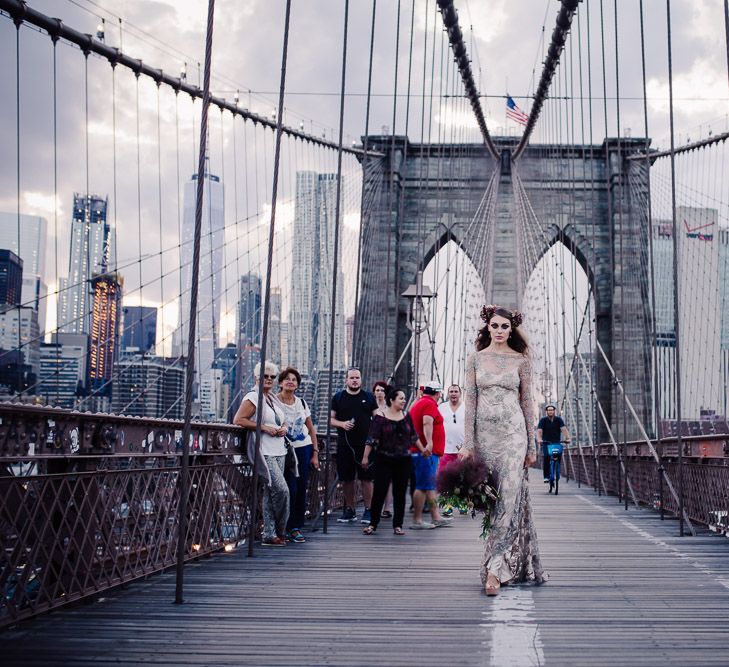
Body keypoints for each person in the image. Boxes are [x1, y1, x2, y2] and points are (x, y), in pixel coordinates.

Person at [460, 304, 547, 596]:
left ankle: (494, 570)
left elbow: (527, 404)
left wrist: (532, 445)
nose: (499, 331)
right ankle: (495, 564)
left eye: (504, 326)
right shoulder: (475, 360)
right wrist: (468, 444)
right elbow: (470, 403)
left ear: (512, 329)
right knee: (492, 504)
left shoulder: (521, 361)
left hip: (513, 437)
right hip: (485, 439)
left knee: (508, 501)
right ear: (487, 327)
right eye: (494, 326)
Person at [233, 360, 289, 547]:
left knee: (270, 492)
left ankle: (269, 534)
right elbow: (239, 419)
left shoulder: (272, 398)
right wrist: (263, 428)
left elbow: (283, 420)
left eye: (272, 377)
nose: (269, 379)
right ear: (256, 377)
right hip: (263, 450)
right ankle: (281, 529)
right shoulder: (252, 397)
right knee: (281, 490)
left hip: (280, 450)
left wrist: (284, 428)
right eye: (265, 376)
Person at [361, 387, 417, 535]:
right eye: (401, 398)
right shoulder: (380, 417)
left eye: (405, 398)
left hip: (403, 459)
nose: (404, 401)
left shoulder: (406, 416)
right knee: (379, 491)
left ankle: (398, 525)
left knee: (400, 493)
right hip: (383, 458)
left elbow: (413, 437)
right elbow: (371, 438)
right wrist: (365, 457)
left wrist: (424, 450)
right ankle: (373, 524)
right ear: (392, 400)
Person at [274, 366, 320, 543]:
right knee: (287, 489)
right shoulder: (274, 402)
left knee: (300, 488)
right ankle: (281, 526)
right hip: (282, 449)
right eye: (287, 379)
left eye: (294, 380)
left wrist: (315, 453)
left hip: (303, 448)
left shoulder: (301, 403)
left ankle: (295, 527)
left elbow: (311, 429)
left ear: (297, 385)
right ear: (280, 383)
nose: (291, 381)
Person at [330, 368, 378, 524]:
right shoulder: (338, 397)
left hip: (365, 445)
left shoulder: (369, 397)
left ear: (361, 380)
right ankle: (350, 510)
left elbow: (377, 420)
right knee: (347, 479)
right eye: (352, 378)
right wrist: (342, 424)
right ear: (346, 380)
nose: (355, 380)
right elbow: (331, 420)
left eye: (357, 377)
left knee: (367, 478)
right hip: (345, 445)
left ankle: (369, 510)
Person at [408, 380, 451, 530]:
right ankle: (417, 520)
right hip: (426, 452)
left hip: (424, 452)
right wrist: (430, 443)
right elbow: (427, 422)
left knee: (429, 486)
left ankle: (436, 516)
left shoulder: (420, 402)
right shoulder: (428, 404)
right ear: (438, 393)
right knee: (422, 486)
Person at [438, 384, 466, 516]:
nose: (453, 394)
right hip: (445, 448)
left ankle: (463, 504)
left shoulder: (467, 407)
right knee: (446, 478)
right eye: (451, 391)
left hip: (463, 449)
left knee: (463, 478)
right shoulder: (441, 407)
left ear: (460, 393)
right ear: (448, 394)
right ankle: (447, 505)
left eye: (456, 391)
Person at [372, 380, 393, 518]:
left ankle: (387, 508)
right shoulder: (369, 407)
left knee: (387, 478)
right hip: (372, 445)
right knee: (373, 478)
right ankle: (374, 507)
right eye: (377, 390)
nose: (379, 392)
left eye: (382, 390)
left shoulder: (390, 407)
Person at [537, 404, 571, 483]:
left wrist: (568, 438)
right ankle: (546, 476)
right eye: (549, 410)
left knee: (558, 456)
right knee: (546, 457)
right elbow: (539, 431)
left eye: (552, 410)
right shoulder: (543, 420)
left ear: (554, 411)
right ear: (547, 411)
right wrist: (539, 439)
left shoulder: (558, 419)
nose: (550, 411)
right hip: (546, 442)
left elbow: (563, 429)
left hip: (556, 442)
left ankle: (556, 470)